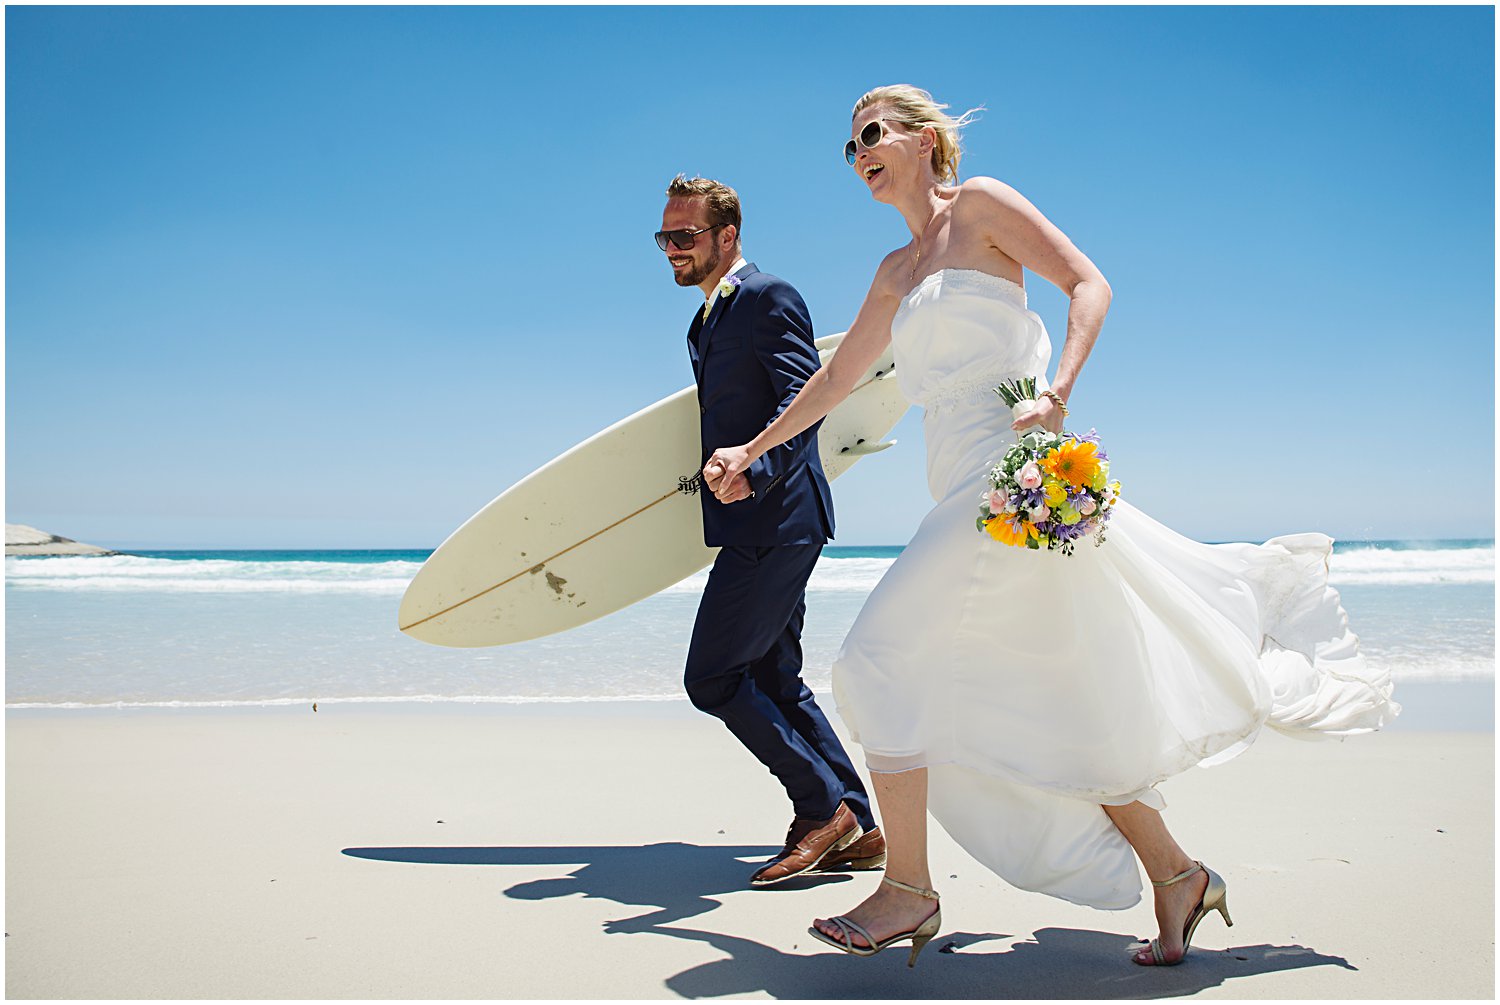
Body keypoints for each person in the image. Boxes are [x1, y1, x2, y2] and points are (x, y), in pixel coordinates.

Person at [703, 88, 1398, 966]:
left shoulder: (984, 207)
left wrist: (1057, 389)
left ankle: (909, 889)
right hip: (956, 486)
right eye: (849, 147)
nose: (860, 154)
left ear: (925, 140)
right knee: (1055, 698)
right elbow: (838, 380)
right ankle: (1176, 873)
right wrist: (753, 447)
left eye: (872, 135)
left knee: (877, 659)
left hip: (1011, 477)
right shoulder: (895, 270)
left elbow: (1088, 282)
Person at [657, 175, 882, 886]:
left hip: (776, 516)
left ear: (727, 236)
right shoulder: (706, 320)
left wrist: (758, 468)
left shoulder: (767, 298)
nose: (671, 249)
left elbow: (803, 396)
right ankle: (860, 826)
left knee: (714, 676)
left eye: (684, 235)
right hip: (760, 521)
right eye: (665, 237)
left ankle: (820, 810)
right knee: (775, 677)